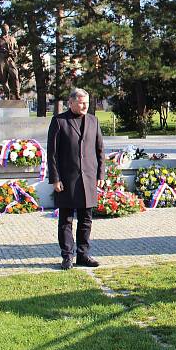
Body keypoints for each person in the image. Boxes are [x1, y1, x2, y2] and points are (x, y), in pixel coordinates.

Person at [47, 88, 106, 269]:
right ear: (71, 102)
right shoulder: (59, 121)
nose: (85, 106)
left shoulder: (93, 121)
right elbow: (52, 153)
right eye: (81, 102)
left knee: (86, 219)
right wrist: (55, 179)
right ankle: (67, 256)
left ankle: (83, 255)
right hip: (67, 180)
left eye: (87, 102)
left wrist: (101, 174)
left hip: (88, 178)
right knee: (66, 220)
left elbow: (100, 150)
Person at [0, 23, 20, 100]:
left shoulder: (12, 38)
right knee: (4, 79)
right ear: (2, 30)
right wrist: (0, 50)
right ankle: (7, 94)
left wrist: (14, 52)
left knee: (15, 76)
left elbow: (16, 48)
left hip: (10, 59)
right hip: (1, 59)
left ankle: (17, 93)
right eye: (4, 30)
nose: (6, 31)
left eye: (7, 30)